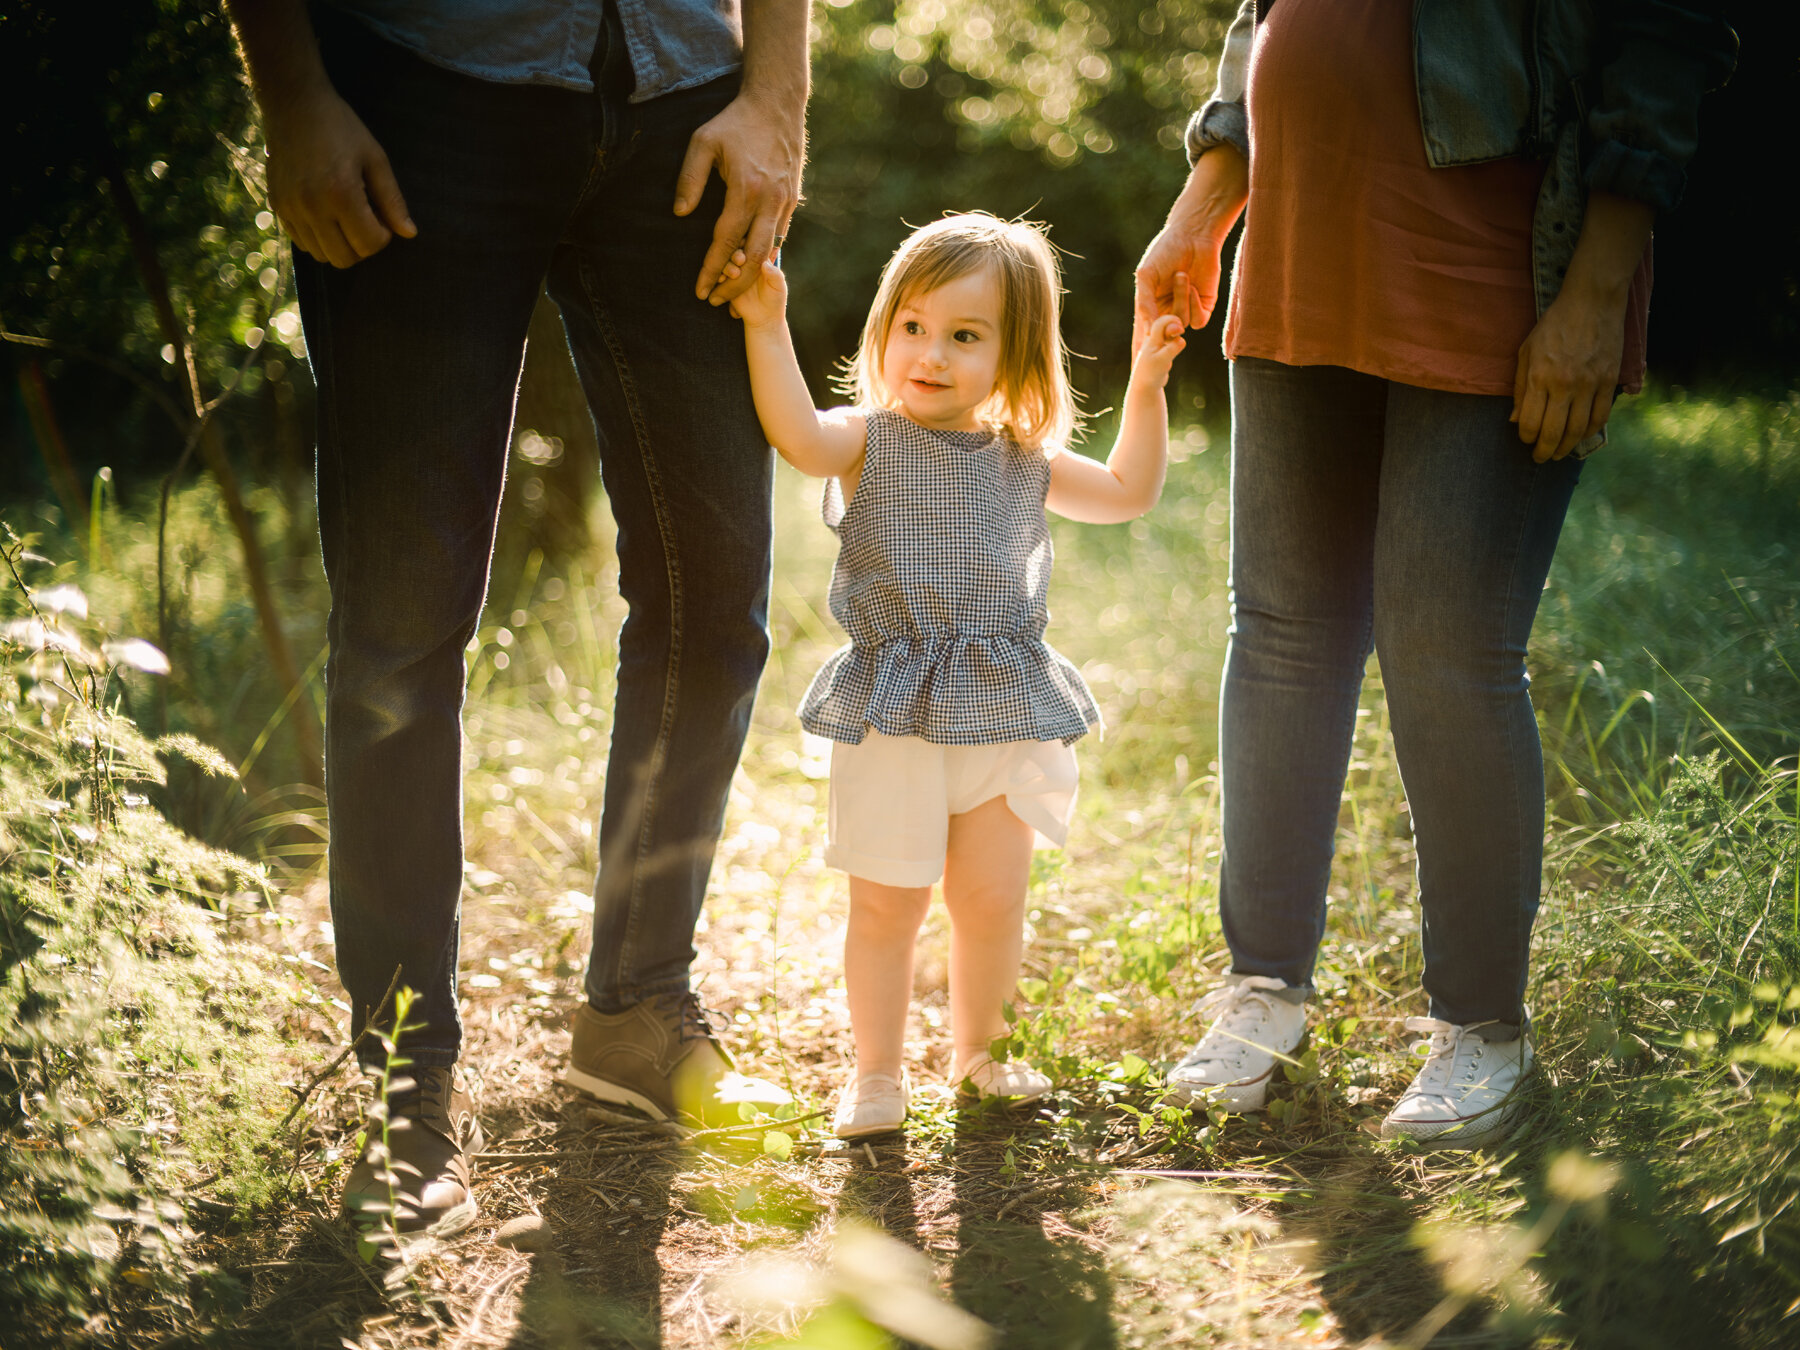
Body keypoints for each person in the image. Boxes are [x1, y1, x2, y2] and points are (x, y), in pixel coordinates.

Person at [225, 0, 808, 1235]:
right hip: (425, 98)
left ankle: (638, 1009)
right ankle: (404, 1067)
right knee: (401, 619)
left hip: (688, 107)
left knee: (717, 598)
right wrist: (294, 98)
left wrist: (777, 98)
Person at [1133, 0, 1736, 1147]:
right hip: (1303, 239)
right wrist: (1204, 205)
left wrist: (1596, 294)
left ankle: (1481, 1031)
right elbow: (1265, 16)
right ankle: (1263, 991)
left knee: (1448, 656)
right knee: (1280, 634)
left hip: (1495, 255)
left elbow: (1664, 38)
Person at [724, 213, 1186, 1137]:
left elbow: (1131, 492)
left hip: (1005, 706)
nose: (930, 354)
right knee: (887, 903)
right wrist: (766, 322)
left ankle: (981, 1056)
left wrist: (1145, 385)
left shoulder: (1026, 458)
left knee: (990, 899)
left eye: (965, 336)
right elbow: (796, 436)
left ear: (1015, 357)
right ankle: (877, 1075)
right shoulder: (866, 440)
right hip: (895, 707)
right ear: (886, 329)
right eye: (914, 327)